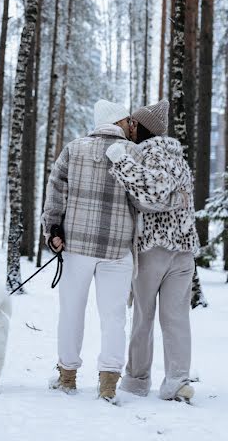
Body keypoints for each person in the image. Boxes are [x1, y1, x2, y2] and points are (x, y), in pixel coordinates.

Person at [41, 99, 136, 401]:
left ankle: (67, 377)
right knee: (114, 317)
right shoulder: (134, 154)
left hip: (77, 244)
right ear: (119, 122)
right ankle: (108, 384)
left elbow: (55, 190)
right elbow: (142, 200)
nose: (132, 126)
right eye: (128, 120)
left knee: (71, 312)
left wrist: (53, 230)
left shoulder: (74, 148)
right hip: (118, 247)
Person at [106, 99, 199, 402]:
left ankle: (136, 380)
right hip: (183, 251)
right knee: (176, 318)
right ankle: (178, 381)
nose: (129, 126)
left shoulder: (148, 152)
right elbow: (176, 196)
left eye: (132, 122)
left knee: (143, 317)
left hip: (154, 248)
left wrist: (121, 161)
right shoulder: (178, 157)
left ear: (142, 127)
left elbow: (155, 191)